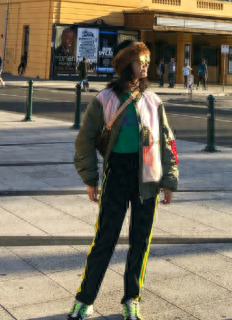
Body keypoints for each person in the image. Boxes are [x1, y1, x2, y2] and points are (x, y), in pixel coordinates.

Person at [69, 39, 179, 320]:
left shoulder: (154, 101)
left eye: (146, 61)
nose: (144, 66)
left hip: (148, 177)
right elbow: (85, 141)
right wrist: (90, 179)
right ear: (124, 63)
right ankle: (85, 299)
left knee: (140, 241)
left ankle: (132, 298)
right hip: (116, 172)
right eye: (138, 60)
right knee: (105, 238)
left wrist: (169, 180)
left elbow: (166, 141)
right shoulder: (105, 99)